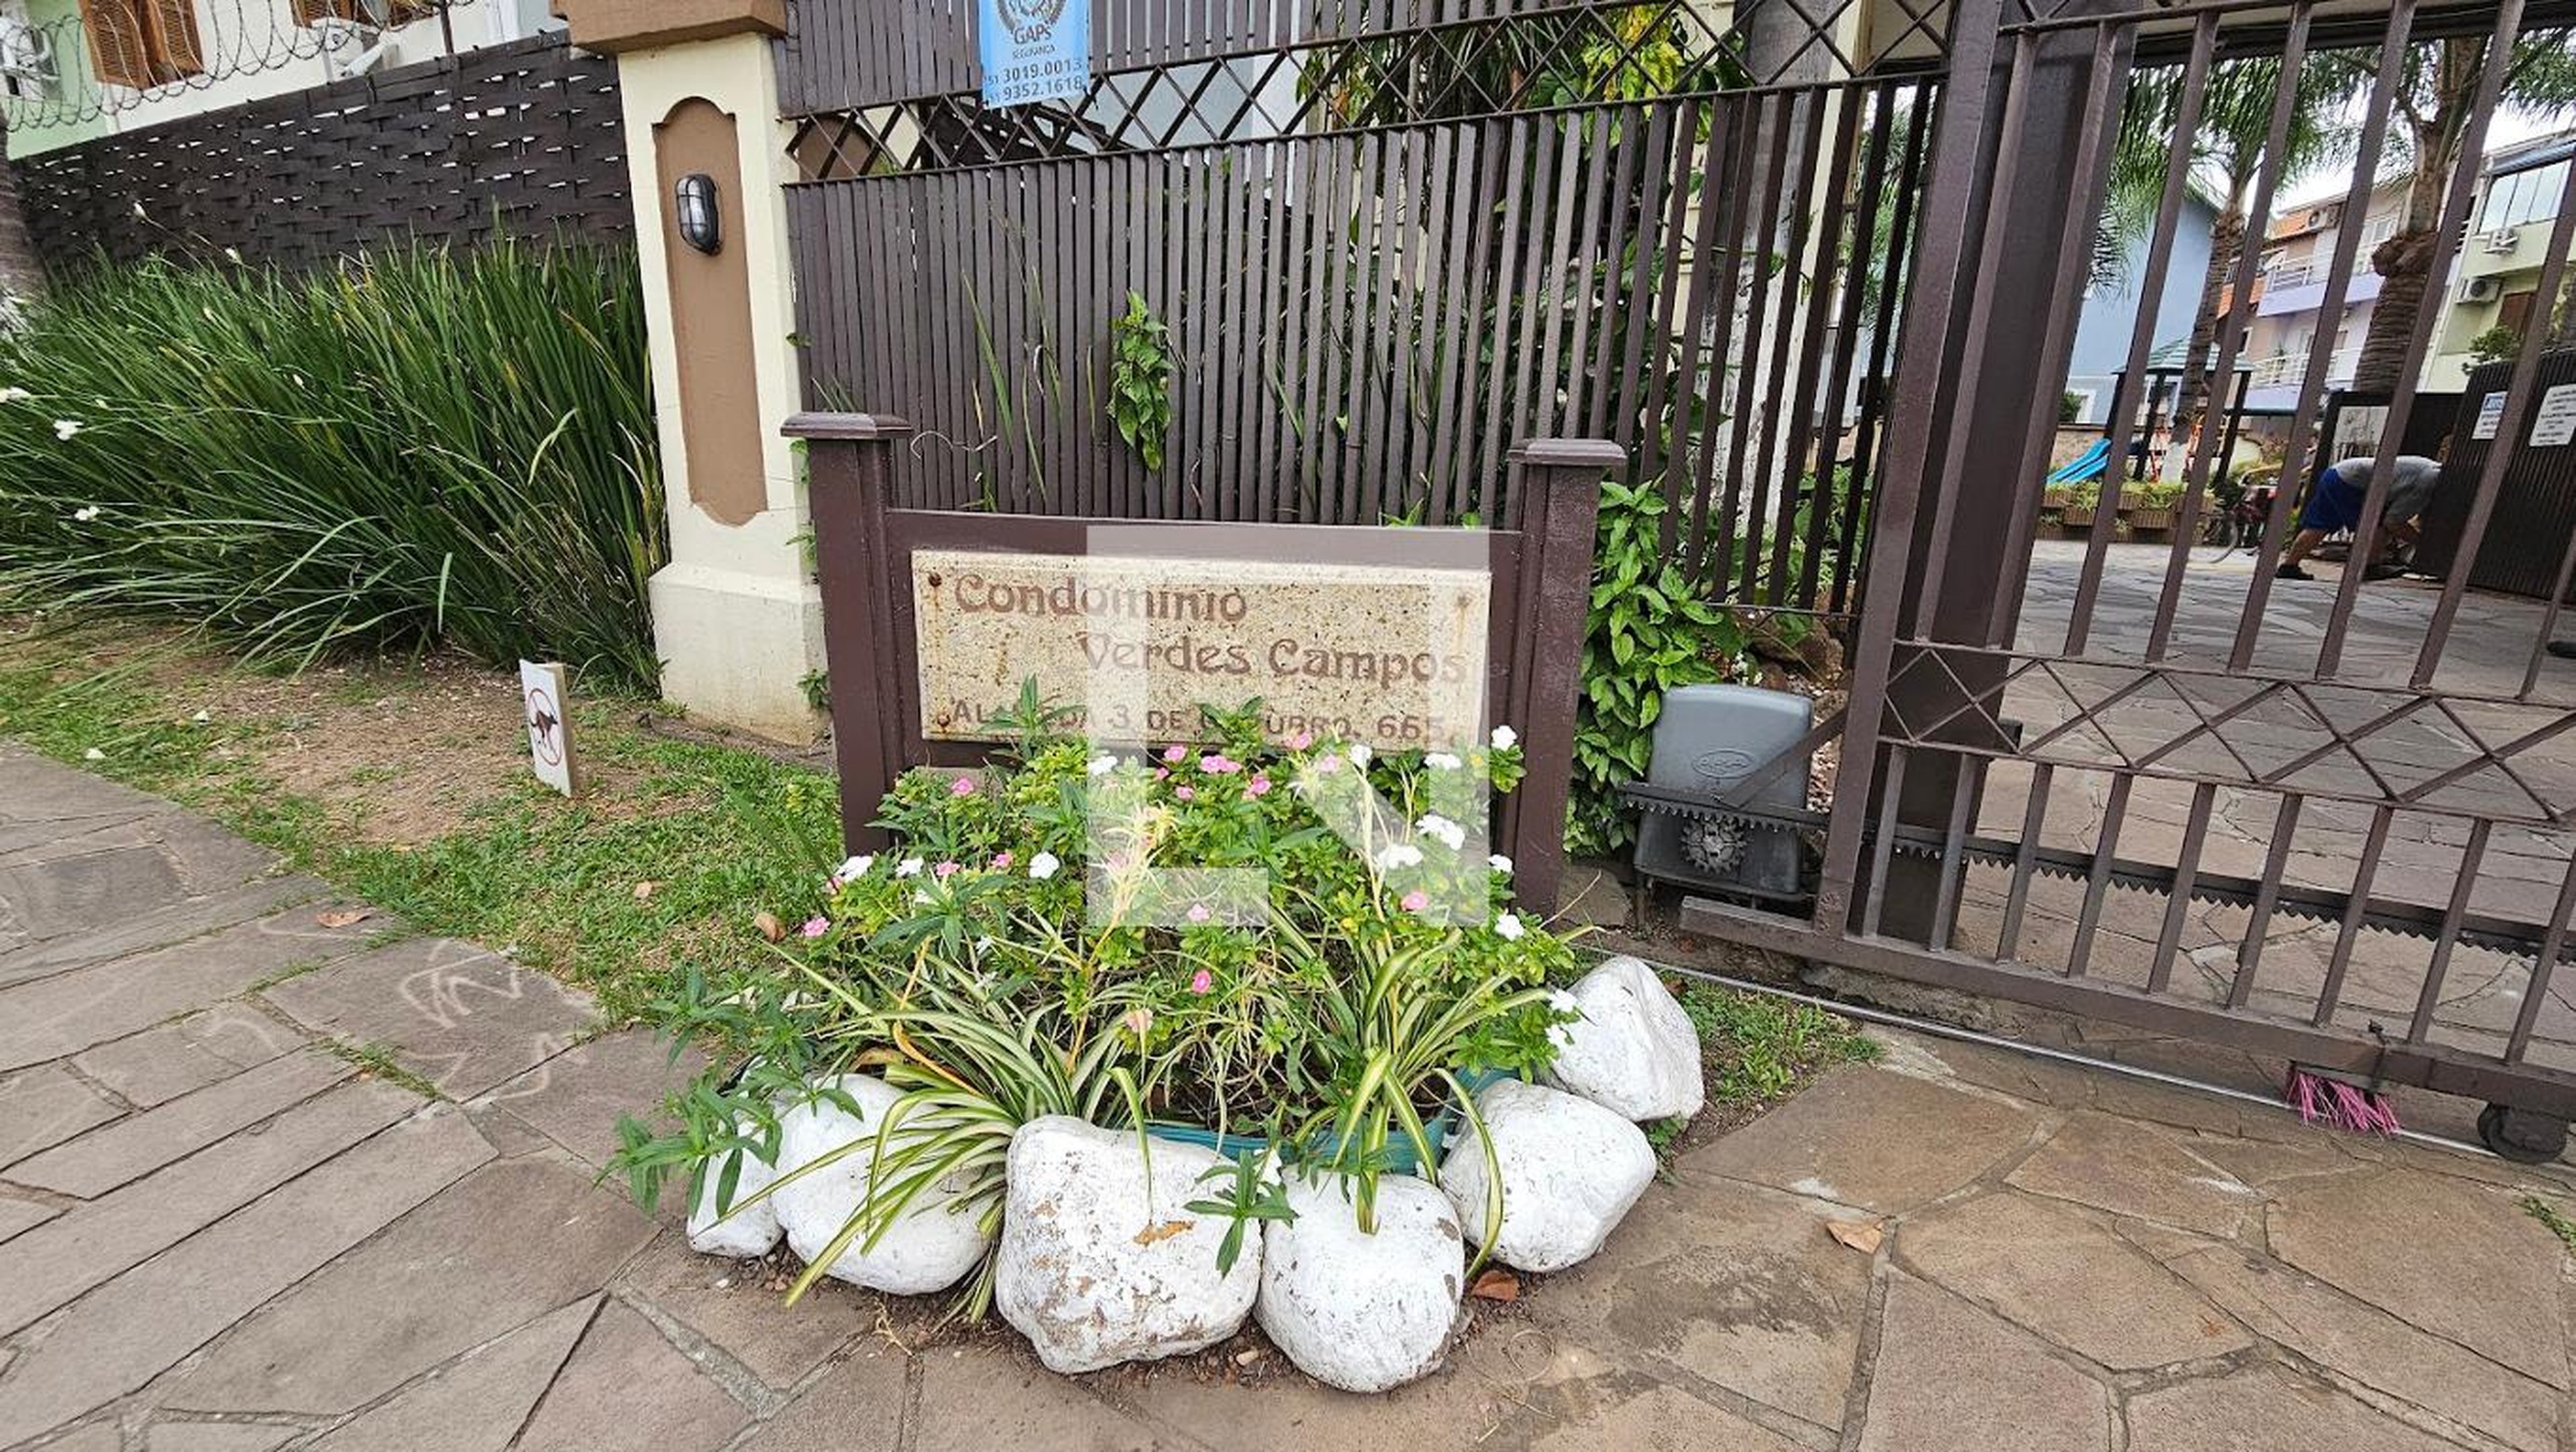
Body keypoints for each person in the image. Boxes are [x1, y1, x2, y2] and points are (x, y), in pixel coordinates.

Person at [2274, 454, 2441, 581]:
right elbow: (2394, 522)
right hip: (2352, 482)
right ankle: (2369, 568)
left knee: (2319, 525)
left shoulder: (2431, 468)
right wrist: (2424, 545)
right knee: (2377, 525)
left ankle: (2289, 567)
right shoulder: (2431, 479)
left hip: (2336, 473)